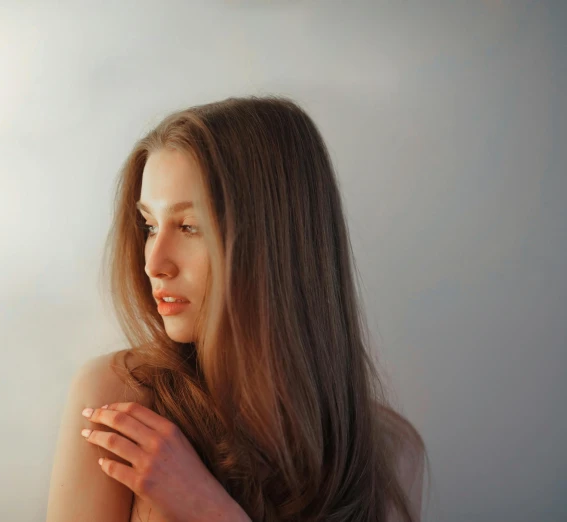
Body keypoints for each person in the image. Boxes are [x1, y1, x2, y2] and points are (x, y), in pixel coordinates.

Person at [46, 95, 430, 522]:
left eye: (189, 226)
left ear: (275, 244)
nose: (154, 262)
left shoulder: (390, 454)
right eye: (150, 227)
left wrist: (208, 510)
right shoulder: (118, 399)